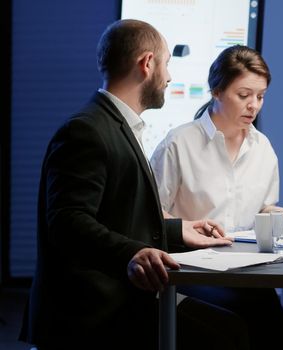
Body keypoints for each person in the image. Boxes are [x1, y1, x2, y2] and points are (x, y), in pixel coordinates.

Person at [20, 19, 237, 350]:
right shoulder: (87, 131)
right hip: (96, 312)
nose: (169, 77)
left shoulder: (113, 124)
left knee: (234, 327)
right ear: (147, 64)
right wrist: (133, 252)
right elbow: (67, 221)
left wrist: (179, 231)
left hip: (122, 297)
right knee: (227, 336)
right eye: (167, 64)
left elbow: (115, 215)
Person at [150, 44, 283, 350]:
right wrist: (187, 227)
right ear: (217, 91)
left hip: (245, 271)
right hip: (192, 270)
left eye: (260, 96)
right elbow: (151, 213)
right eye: (244, 95)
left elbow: (262, 206)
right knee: (242, 324)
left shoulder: (261, 147)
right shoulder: (179, 143)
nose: (254, 105)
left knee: (274, 330)